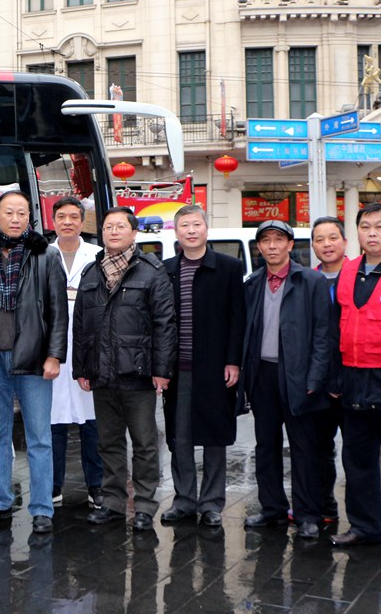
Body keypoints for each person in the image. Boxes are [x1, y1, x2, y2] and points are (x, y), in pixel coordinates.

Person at [0, 190, 68, 534]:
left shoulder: (46, 254)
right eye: (8, 212)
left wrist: (54, 355)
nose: (14, 218)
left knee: (39, 437)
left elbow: (57, 310)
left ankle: (41, 509)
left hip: (34, 358)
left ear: (30, 216)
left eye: (21, 213)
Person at [72, 206, 175, 532]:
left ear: (134, 233)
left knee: (144, 443)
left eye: (120, 226)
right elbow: (81, 327)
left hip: (139, 373)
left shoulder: (150, 271)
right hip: (102, 375)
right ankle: (113, 502)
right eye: (108, 227)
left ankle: (144, 505)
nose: (113, 232)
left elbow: (164, 324)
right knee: (108, 442)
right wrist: (81, 368)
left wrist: (161, 369)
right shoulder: (92, 272)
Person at [330, 203, 381, 563]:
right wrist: (335, 377)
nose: (372, 233)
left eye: (380, 226)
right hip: (354, 381)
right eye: (365, 227)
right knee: (357, 461)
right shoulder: (348, 271)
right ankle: (365, 527)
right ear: (358, 233)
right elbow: (337, 326)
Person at [241, 219, 331, 540]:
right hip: (262, 375)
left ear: (291, 245)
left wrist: (315, 378)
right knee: (266, 446)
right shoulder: (252, 283)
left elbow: (324, 334)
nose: (272, 246)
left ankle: (308, 514)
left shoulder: (311, 281)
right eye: (266, 241)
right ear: (260, 247)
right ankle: (272, 509)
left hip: (298, 376)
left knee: (304, 447)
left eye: (279, 239)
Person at [159, 205, 244, 528]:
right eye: (184, 225)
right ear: (176, 232)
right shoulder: (166, 269)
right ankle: (183, 500)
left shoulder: (228, 268)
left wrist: (233, 360)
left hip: (215, 367)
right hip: (176, 369)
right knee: (179, 437)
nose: (191, 231)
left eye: (196, 224)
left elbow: (238, 318)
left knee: (214, 437)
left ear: (206, 229)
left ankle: (211, 503)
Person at [48, 198, 104, 510]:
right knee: (53, 422)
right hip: (53, 350)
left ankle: (96, 486)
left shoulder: (97, 255)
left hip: (88, 350)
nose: (67, 221)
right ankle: (53, 486)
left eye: (73, 217)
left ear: (83, 222)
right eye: (61, 216)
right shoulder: (42, 254)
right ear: (53, 221)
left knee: (91, 423)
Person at [311, 215, 348, 523]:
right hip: (319, 383)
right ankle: (325, 509)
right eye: (320, 239)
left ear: (344, 241)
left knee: (357, 453)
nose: (326, 244)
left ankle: (366, 518)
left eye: (332, 237)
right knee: (319, 450)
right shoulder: (309, 280)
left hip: (354, 381)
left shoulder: (358, 276)